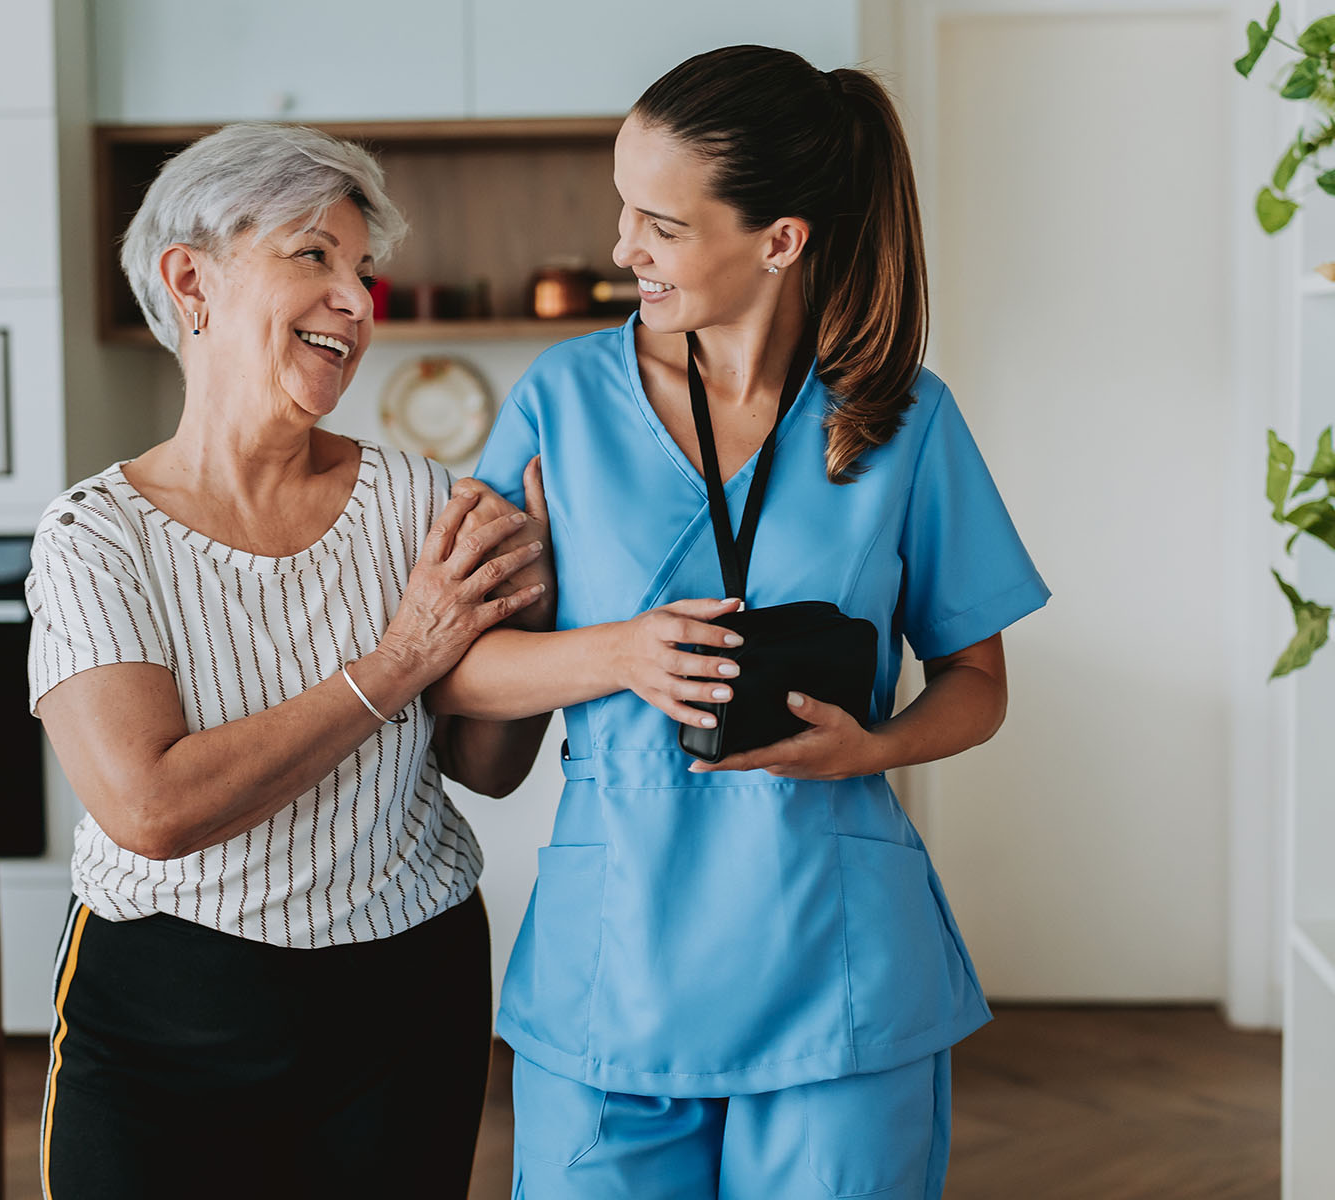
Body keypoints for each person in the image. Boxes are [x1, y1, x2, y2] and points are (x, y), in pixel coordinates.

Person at [434, 46, 1050, 1199]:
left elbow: (977, 680)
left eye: (659, 223)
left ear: (779, 239)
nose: (623, 247)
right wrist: (617, 652)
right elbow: (459, 677)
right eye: (623, 208)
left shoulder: (904, 417)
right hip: (613, 960)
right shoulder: (559, 403)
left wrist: (875, 747)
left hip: (836, 961)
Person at [25, 122, 552, 1198]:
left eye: (364, 271)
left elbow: (486, 767)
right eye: (314, 255)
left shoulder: (419, 501)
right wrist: (403, 657)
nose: (358, 302)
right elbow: (152, 808)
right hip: (166, 1007)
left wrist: (531, 618)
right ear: (190, 281)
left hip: (407, 989)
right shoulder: (94, 537)